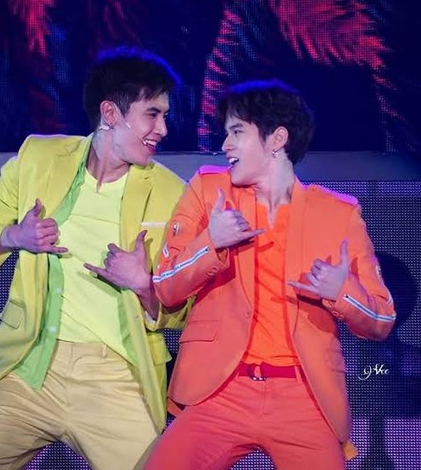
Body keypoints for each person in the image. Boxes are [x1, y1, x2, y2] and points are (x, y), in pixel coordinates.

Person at [0, 47, 188, 470]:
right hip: (31, 368)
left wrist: (144, 285)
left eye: (165, 115)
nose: (163, 129)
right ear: (110, 113)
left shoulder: (171, 193)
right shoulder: (39, 158)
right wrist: (15, 236)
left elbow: (184, 311)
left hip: (115, 378)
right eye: (152, 114)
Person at [144, 80, 396, 470]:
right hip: (220, 391)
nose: (225, 145)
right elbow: (166, 287)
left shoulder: (339, 213)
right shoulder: (208, 191)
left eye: (237, 132)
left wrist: (341, 291)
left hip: (304, 396)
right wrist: (211, 241)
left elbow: (382, 318)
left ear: (277, 139)